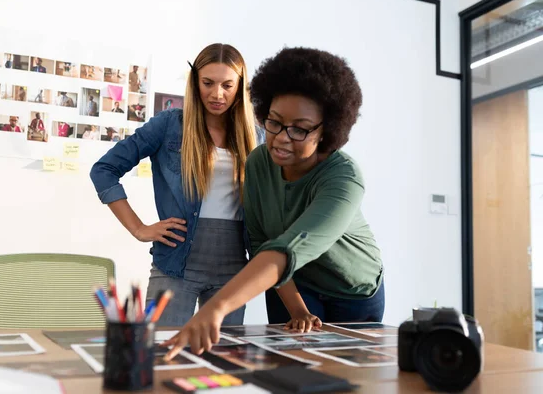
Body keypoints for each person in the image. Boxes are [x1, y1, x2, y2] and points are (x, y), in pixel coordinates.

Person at [162, 47, 384, 360]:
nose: (280, 137)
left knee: (346, 375)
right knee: (289, 370)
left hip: (351, 289)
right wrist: (297, 308)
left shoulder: (344, 177)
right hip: (287, 282)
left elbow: (293, 245)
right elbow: (262, 242)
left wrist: (217, 307)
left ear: (326, 132)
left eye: (299, 129)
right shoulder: (257, 163)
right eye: (274, 122)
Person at [90, 43, 260, 327]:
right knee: (161, 354)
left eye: (227, 85)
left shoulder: (256, 136)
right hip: (175, 264)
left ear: (240, 86)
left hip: (234, 269)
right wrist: (139, 229)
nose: (217, 94)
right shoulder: (169, 125)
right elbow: (104, 170)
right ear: (195, 83)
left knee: (224, 360)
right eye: (208, 83)